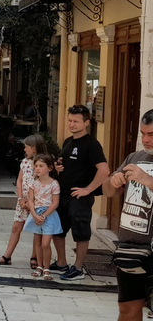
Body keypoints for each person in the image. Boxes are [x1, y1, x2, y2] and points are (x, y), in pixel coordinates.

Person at [81, 110, 153, 321]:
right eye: (143, 134)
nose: (146, 140)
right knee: (128, 306)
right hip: (131, 245)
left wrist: (147, 181)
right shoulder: (135, 158)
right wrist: (113, 182)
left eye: (152, 135)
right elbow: (109, 193)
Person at [51, 105, 109, 280]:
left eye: (76, 121)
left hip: (80, 197)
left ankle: (78, 268)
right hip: (62, 195)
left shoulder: (91, 144)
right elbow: (65, 164)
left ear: (86, 123)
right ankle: (61, 262)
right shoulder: (68, 141)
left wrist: (88, 190)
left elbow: (104, 170)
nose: (72, 124)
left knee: (81, 232)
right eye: (70, 120)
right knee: (58, 229)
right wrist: (57, 166)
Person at [0, 134, 48, 268]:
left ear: (34, 149)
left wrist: (31, 202)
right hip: (23, 201)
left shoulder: (42, 163)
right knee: (16, 227)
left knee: (37, 230)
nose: (24, 150)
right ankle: (7, 255)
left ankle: (34, 256)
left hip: (36, 202)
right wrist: (20, 198)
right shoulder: (25, 162)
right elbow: (20, 180)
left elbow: (42, 183)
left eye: (26, 147)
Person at [25, 155, 62, 280]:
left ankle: (47, 267)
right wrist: (34, 215)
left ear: (50, 168)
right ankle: (39, 266)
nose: (37, 169)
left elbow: (55, 203)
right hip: (36, 214)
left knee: (46, 243)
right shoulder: (33, 183)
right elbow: (30, 200)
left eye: (41, 166)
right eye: (36, 166)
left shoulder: (54, 184)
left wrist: (44, 215)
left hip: (49, 215)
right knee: (38, 242)